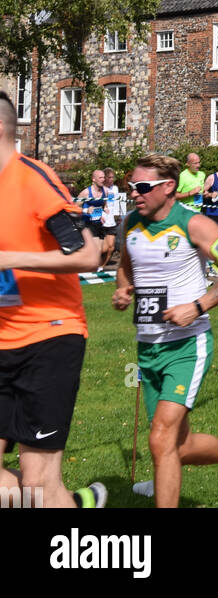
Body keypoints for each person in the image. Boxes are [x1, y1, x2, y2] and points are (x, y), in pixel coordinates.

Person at [112, 154, 218, 507]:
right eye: (130, 186)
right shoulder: (131, 224)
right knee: (173, 445)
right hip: (148, 346)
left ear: (169, 187)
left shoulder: (193, 224)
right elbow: (126, 267)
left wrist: (197, 307)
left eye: (142, 187)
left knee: (160, 439)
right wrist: (124, 289)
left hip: (187, 345)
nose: (134, 193)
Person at [0, 92, 106, 509]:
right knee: (30, 492)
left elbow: (88, 254)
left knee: (38, 485)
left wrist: (9, 259)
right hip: (3, 339)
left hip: (48, 337)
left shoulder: (32, 178)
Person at [76, 169, 108, 254]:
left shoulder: (105, 191)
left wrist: (105, 210)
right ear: (93, 179)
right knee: (96, 251)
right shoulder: (85, 193)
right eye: (100, 177)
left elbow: (104, 205)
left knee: (104, 249)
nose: (103, 179)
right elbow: (73, 208)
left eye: (104, 177)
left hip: (99, 223)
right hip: (87, 223)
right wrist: (86, 210)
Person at [100, 167, 121, 269]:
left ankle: (101, 267)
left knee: (111, 247)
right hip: (101, 221)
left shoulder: (115, 188)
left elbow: (118, 203)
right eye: (110, 177)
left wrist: (119, 215)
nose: (112, 179)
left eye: (113, 177)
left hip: (112, 220)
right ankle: (97, 265)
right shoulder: (99, 188)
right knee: (103, 248)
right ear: (105, 178)